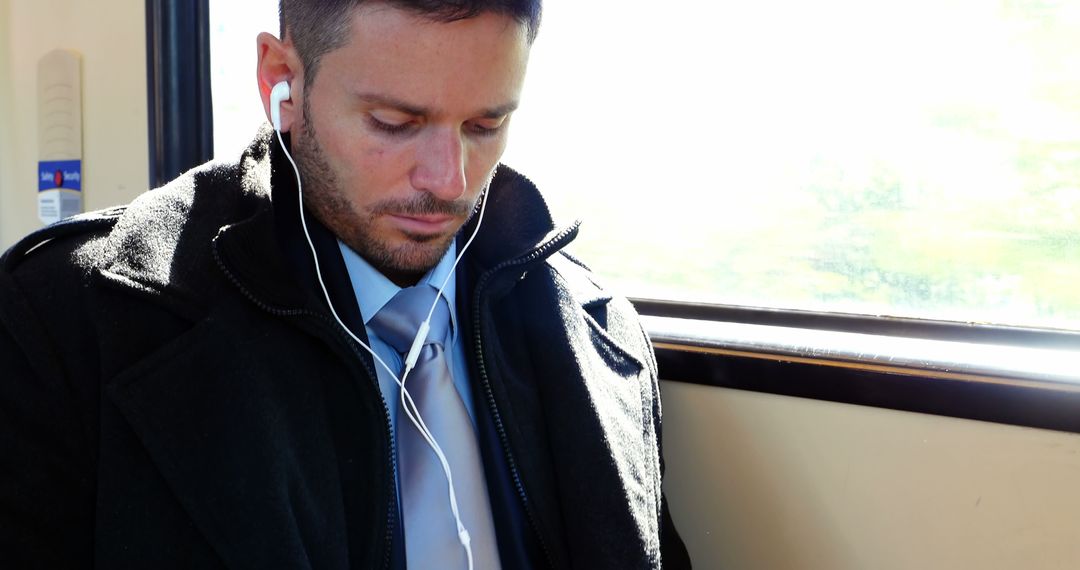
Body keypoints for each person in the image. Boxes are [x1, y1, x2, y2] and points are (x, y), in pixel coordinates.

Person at [0, 1, 691, 568]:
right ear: (283, 78)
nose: (448, 182)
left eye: (487, 125)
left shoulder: (600, 336)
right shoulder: (70, 323)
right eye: (394, 123)